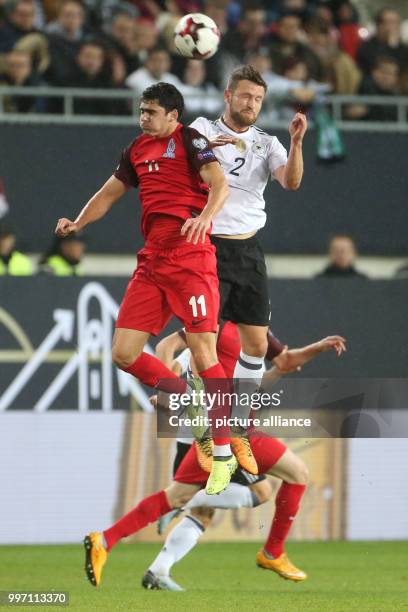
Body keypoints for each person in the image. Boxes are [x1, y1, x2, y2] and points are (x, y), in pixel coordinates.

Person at [55, 82, 240, 498]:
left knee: (203, 351)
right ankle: (189, 399)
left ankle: (224, 453)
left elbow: (219, 184)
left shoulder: (190, 139)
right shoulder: (136, 151)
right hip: (153, 261)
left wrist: (204, 217)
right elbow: (109, 194)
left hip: (191, 259)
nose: (143, 118)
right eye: (141, 111)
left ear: (173, 116)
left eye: (151, 112)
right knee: (123, 353)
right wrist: (78, 223)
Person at [83, 322, 345, 589]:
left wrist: (316, 348)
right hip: (225, 431)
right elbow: (168, 349)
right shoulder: (215, 324)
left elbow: (281, 365)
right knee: (287, 478)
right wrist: (166, 394)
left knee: (182, 500)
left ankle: (109, 543)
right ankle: (272, 553)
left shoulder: (255, 331)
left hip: (221, 430)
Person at [189, 65, 307, 462]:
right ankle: (202, 425)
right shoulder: (201, 128)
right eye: (244, 96)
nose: (251, 104)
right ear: (228, 96)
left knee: (256, 343)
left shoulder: (267, 142)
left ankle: (239, 426)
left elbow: (291, 183)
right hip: (208, 247)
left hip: (249, 251)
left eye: (257, 99)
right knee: (202, 341)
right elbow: (183, 166)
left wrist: (296, 144)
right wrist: (203, 150)